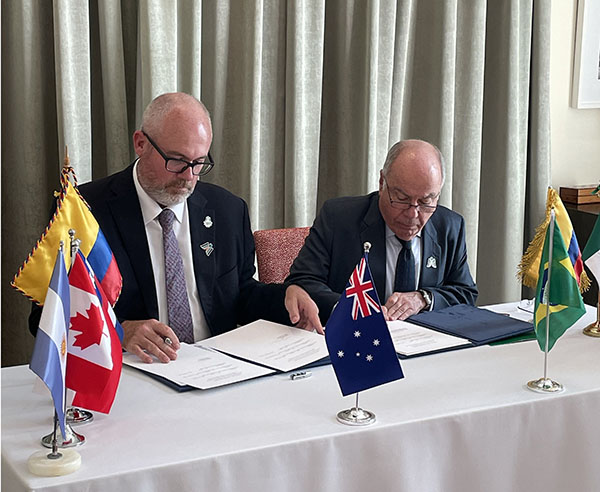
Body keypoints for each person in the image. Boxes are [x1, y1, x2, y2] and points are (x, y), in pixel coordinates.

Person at [29, 92, 321, 362]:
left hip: (215, 367)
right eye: (177, 161)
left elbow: (241, 295)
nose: (189, 177)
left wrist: (284, 298)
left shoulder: (228, 210)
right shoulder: (85, 210)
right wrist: (120, 331)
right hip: (133, 369)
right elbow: (46, 313)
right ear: (140, 143)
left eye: (199, 163)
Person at [285, 139, 478, 325]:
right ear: (381, 182)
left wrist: (423, 299)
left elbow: (465, 293)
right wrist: (352, 308)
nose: (412, 214)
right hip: (355, 343)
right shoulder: (339, 218)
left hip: (423, 347)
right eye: (401, 198)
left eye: (426, 202)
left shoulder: (449, 226)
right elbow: (302, 282)